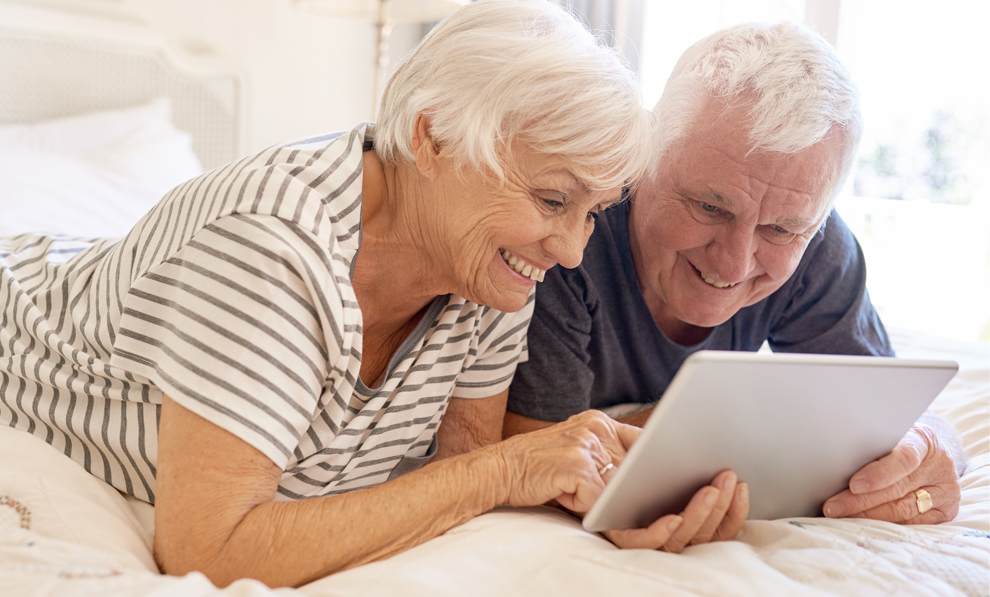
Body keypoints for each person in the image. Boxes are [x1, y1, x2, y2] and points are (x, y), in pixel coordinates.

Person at [0, 0, 681, 588]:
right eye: (553, 198)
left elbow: (466, 464)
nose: (570, 250)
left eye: (592, 211)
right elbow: (208, 549)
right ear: (432, 138)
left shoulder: (492, 268)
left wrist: (611, 499)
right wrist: (506, 469)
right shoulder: (269, 245)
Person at [506, 20, 966, 550]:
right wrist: (748, 428)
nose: (734, 262)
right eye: (709, 206)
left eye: (782, 229)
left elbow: (896, 412)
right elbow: (529, 452)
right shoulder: (571, 227)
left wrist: (934, 445)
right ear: (648, 153)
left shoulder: (819, 243)